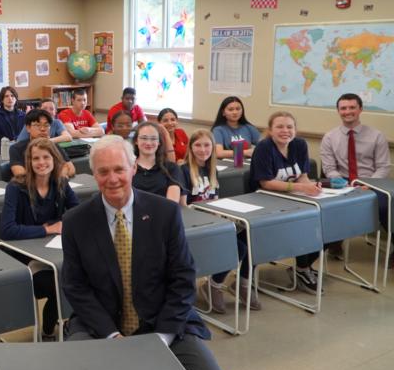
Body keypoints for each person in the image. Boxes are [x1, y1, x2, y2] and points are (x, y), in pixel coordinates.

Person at [61, 135, 232, 370]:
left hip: (163, 321)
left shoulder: (164, 212)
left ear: (133, 169)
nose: (112, 178)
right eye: (103, 172)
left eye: (119, 169)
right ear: (94, 175)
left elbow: (182, 276)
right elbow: (75, 287)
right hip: (100, 325)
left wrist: (162, 337)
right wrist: (111, 334)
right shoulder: (76, 221)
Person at [0, 138, 79, 338]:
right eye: (36, 158)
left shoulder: (61, 183)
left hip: (52, 251)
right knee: (58, 281)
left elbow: (78, 213)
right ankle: (49, 327)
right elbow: (7, 230)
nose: (41, 162)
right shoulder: (16, 188)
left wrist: (63, 225)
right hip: (22, 258)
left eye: (46, 157)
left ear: (55, 159)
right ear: (29, 161)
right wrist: (48, 229)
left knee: (79, 273)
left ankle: (74, 322)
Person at [251, 111, 322, 294]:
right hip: (266, 200)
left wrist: (312, 188)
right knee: (304, 224)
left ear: (295, 129)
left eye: (289, 127)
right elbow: (266, 183)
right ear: (271, 130)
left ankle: (303, 266)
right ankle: (302, 268)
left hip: (292, 198)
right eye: (280, 127)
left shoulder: (299, 145)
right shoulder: (264, 148)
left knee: (326, 224)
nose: (285, 131)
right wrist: (300, 188)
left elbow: (303, 177)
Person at [182, 130, 254, 312]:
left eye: (207, 145)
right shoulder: (183, 170)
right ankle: (212, 285)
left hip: (213, 221)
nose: (203, 149)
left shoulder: (212, 169)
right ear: (190, 147)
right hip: (196, 226)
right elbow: (183, 206)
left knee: (245, 239)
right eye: (198, 145)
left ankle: (216, 284)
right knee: (236, 246)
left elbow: (215, 199)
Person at [320, 93, 390, 262]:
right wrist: (341, 184)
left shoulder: (376, 135)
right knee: (328, 205)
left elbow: (383, 166)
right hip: (341, 182)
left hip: (371, 182)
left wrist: (369, 185)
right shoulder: (330, 137)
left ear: (360, 109)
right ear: (338, 111)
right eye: (343, 108)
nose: (347, 111)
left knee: (386, 205)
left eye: (352, 107)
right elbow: (329, 168)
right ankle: (333, 242)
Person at [9, 109, 76, 182]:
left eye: (46, 125)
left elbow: (71, 169)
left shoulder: (54, 146)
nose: (42, 129)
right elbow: (20, 174)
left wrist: (58, 177)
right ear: (28, 128)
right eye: (37, 125)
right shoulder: (16, 148)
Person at [132, 122, 186, 205]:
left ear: (159, 142)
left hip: (162, 215)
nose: (148, 143)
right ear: (136, 141)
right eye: (144, 138)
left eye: (153, 139)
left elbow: (171, 204)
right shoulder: (127, 167)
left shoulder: (172, 168)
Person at [0, 86, 26, 152]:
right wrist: (2, 145)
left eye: (12, 96)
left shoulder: (23, 116)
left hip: (21, 150)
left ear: (16, 98)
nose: (10, 98)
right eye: (6, 96)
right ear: (2, 100)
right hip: (3, 152)